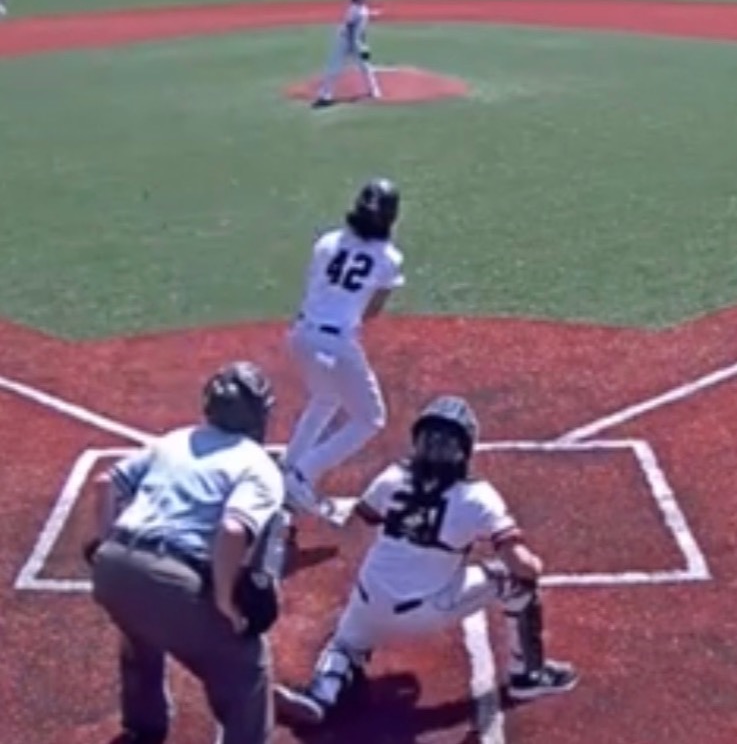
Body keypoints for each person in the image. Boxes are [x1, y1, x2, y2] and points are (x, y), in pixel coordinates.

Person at [275, 395, 578, 727]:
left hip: (368, 598)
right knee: (515, 581)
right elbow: (521, 564)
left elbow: (351, 533)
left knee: (345, 644)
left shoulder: (392, 477)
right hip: (426, 609)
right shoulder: (478, 497)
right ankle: (528, 676)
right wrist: (534, 565)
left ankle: (323, 691)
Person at [86, 361, 287, 744]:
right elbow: (233, 530)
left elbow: (105, 483)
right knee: (248, 667)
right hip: (171, 579)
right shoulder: (258, 464)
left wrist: (107, 542)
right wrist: (225, 601)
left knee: (140, 629)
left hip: (112, 570)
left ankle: (142, 728)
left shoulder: (174, 440)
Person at [281, 178, 404, 524]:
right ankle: (302, 474)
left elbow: (317, 285)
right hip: (336, 342)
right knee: (370, 418)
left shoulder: (327, 242)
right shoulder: (389, 258)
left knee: (325, 398)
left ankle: (289, 466)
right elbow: (372, 311)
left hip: (301, 334)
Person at [312, 0, 380, 107]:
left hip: (355, 41)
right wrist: (353, 46)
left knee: (365, 65)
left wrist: (363, 45)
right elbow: (349, 27)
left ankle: (374, 91)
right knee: (335, 66)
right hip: (344, 41)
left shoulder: (363, 9)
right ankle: (326, 95)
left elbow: (361, 31)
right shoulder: (354, 9)